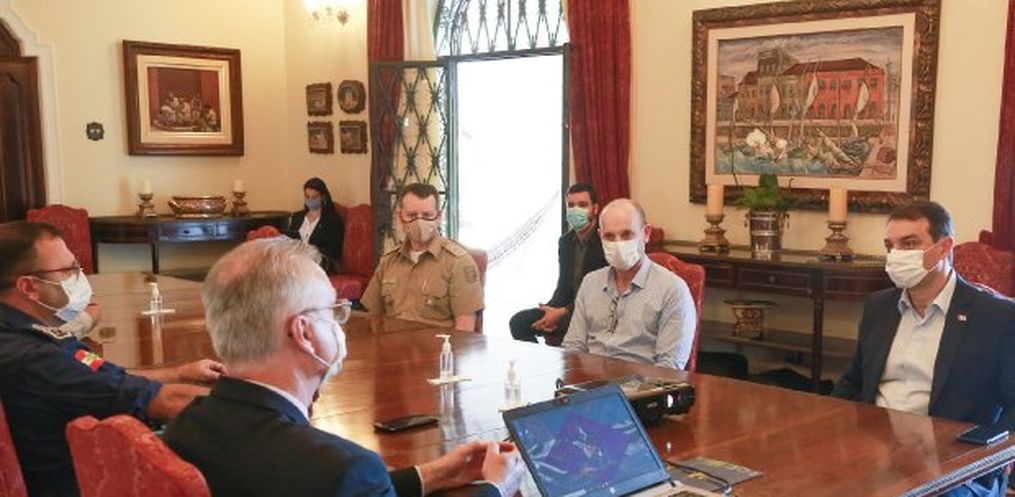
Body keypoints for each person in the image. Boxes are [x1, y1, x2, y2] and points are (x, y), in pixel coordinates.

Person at [162, 239, 524, 497]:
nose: (340, 324)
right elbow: (344, 483)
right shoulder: (342, 468)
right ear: (304, 333)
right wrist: (497, 488)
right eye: (332, 312)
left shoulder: (185, 426)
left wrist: (434, 474)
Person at [0, 221, 224, 497]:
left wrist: (180, 373)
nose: (79, 277)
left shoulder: (23, 333)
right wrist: (258, 400)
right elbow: (166, 401)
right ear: (29, 287)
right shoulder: (36, 358)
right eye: (69, 270)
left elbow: (98, 375)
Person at [832, 200, 1015, 496]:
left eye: (909, 243)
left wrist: (998, 457)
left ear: (944, 248)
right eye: (890, 246)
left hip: (952, 464)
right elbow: (854, 380)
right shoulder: (879, 306)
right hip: (874, 449)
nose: (896, 255)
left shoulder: (997, 316)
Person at [561, 199, 697, 369]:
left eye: (627, 235)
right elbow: (573, 347)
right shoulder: (590, 283)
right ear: (600, 236)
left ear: (646, 233)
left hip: (641, 383)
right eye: (609, 237)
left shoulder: (673, 290)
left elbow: (669, 367)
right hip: (588, 381)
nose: (618, 244)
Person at [361, 183, 483, 332]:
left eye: (427, 216)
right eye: (411, 215)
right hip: (391, 344)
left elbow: (465, 330)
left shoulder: (458, 262)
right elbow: (373, 318)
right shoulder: (388, 261)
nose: (419, 222)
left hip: (436, 346)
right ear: (400, 217)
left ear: (438, 218)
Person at [509, 182, 607, 344]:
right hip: (564, 309)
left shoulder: (606, 240)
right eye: (571, 205)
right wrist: (550, 309)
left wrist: (562, 312)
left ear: (595, 209)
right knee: (518, 323)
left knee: (566, 327)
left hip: (592, 311)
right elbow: (563, 286)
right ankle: (539, 359)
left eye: (582, 205)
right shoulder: (565, 242)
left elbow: (600, 293)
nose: (576, 210)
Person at [288, 177, 345, 274]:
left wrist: (312, 250)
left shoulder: (332, 220)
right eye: (307, 197)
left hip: (319, 262)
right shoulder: (297, 217)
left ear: (323, 197)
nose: (310, 200)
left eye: (314, 197)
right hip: (296, 258)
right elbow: (290, 240)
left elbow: (335, 250)